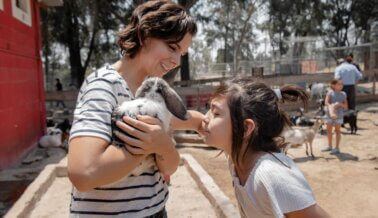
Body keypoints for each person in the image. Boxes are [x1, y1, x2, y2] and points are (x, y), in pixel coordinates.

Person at [67, 1, 201, 217]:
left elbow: (168, 167)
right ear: (145, 36)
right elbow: (84, 173)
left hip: (156, 209)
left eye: (182, 54)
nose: (176, 61)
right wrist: (148, 145)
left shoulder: (156, 92)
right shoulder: (103, 86)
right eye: (172, 47)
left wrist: (164, 146)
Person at [200, 79, 330, 218]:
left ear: (246, 128)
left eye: (216, 113)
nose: (205, 118)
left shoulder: (272, 175)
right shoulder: (237, 157)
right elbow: (193, 120)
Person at [322, 79, 348, 155]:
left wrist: (339, 104)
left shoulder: (343, 94)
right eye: (339, 84)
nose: (341, 86)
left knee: (337, 131)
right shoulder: (330, 93)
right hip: (329, 115)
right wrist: (332, 107)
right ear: (333, 85)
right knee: (329, 130)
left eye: (342, 84)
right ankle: (329, 146)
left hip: (339, 115)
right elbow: (326, 102)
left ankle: (336, 148)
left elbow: (346, 107)